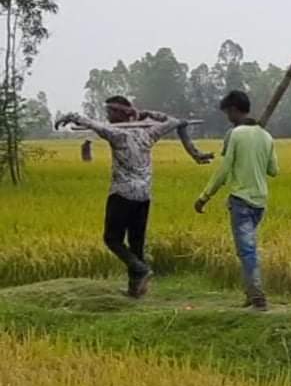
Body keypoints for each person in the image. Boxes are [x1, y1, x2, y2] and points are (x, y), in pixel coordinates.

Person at [55, 97, 194, 298]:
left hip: (122, 194)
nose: (107, 117)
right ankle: (135, 290)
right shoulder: (149, 133)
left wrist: (70, 117)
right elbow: (173, 121)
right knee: (136, 243)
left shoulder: (117, 135)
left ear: (121, 114)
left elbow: (92, 124)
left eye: (110, 112)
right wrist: (151, 114)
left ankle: (141, 269)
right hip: (143, 196)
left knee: (112, 239)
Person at [195, 91, 279, 311]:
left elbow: (224, 169)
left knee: (247, 250)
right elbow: (274, 170)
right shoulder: (266, 136)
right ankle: (251, 294)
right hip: (260, 202)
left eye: (227, 113)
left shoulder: (236, 134)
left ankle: (258, 297)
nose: (227, 117)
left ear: (233, 109)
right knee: (246, 248)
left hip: (241, 200)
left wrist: (205, 196)